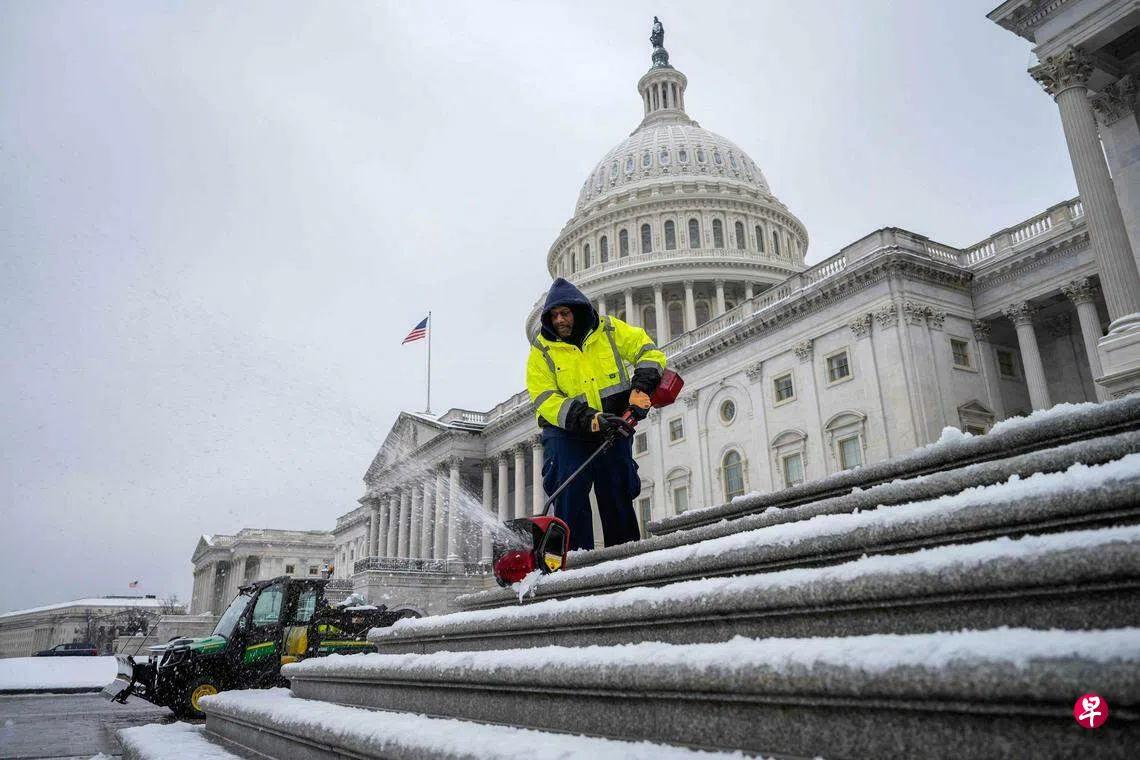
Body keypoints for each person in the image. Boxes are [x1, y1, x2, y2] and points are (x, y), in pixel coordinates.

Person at [526, 278, 667, 551]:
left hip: (613, 425)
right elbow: (546, 400)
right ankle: (576, 562)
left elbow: (648, 351)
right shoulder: (541, 351)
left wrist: (641, 390)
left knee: (617, 491)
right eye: (553, 315)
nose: (559, 320)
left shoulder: (610, 330)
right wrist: (589, 419)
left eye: (564, 313)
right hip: (567, 433)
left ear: (578, 311)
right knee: (569, 494)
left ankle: (625, 557)